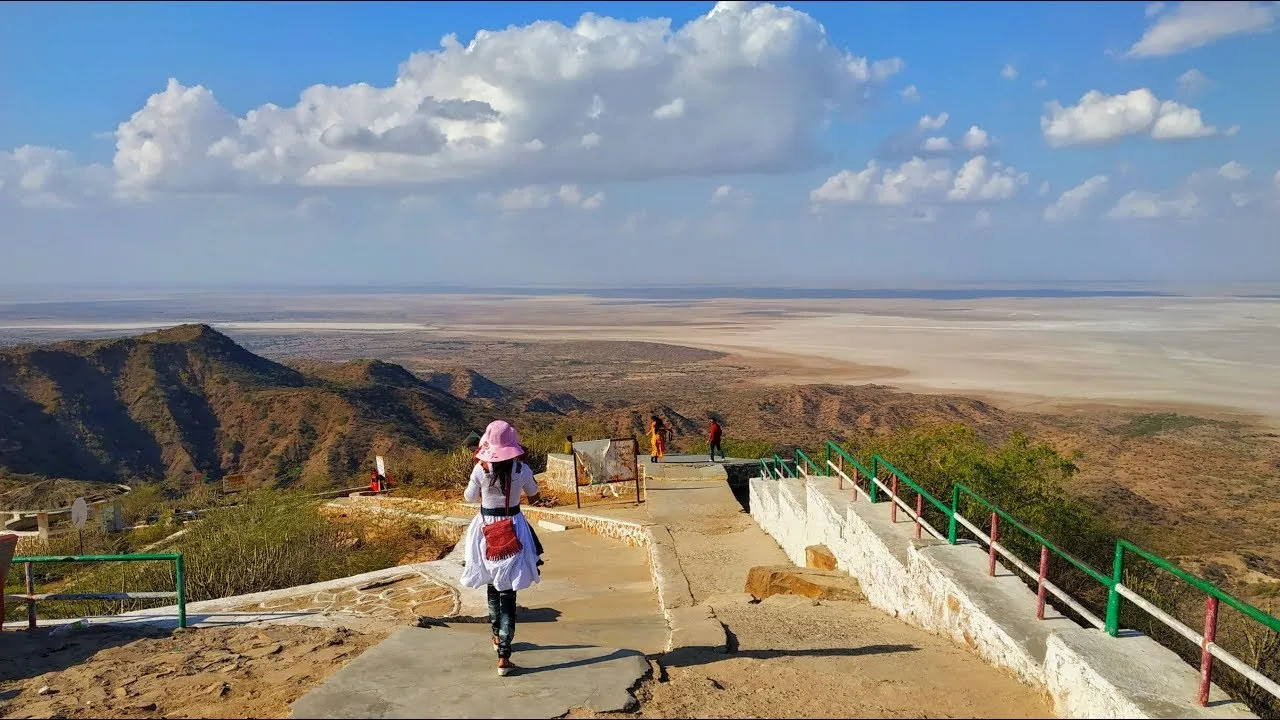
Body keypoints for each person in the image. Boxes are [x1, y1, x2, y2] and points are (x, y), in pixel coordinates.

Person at [461, 420, 543, 676]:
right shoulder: (522, 468)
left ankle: (497, 636)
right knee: (507, 590)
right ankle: (504, 653)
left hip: (485, 528)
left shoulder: (480, 469)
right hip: (514, 526)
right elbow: (534, 494)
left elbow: (469, 498)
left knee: (491, 584)